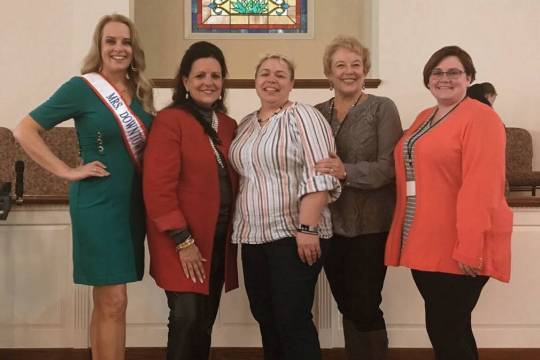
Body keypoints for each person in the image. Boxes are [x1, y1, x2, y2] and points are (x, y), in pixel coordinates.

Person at [13, 14, 154, 360]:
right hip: (98, 203)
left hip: (131, 205)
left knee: (112, 303)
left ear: (134, 50)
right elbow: (24, 130)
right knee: (113, 298)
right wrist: (67, 171)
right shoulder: (82, 88)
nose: (119, 48)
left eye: (125, 42)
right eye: (111, 41)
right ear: (100, 46)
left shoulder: (142, 92)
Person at [385, 46, 513, 360]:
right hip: (424, 240)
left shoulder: (481, 118)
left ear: (469, 78)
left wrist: (470, 244)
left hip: (459, 243)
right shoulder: (424, 117)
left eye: (454, 72)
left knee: (447, 330)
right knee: (449, 328)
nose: (445, 79)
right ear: (428, 79)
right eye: (437, 72)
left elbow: (481, 186)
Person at [229, 54, 341, 360]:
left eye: (280, 75)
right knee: (266, 316)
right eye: (265, 73)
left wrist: (307, 228)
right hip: (253, 237)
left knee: (292, 320)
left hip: (293, 235)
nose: (272, 80)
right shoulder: (247, 125)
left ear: (291, 84)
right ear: (255, 81)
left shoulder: (303, 116)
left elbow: (320, 173)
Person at [142, 41, 238, 360]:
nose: (208, 82)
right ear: (185, 81)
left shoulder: (227, 125)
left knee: (204, 321)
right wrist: (184, 241)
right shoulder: (170, 121)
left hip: (217, 240)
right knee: (186, 318)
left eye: (215, 75)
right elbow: (158, 187)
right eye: (199, 76)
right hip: (180, 240)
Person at [314, 36, 402, 360]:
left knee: (366, 304)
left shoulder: (382, 108)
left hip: (371, 226)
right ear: (328, 73)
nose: (349, 71)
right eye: (341, 65)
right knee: (346, 303)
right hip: (329, 226)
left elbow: (387, 168)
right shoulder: (316, 113)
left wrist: (344, 171)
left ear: (365, 70)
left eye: (356, 65)